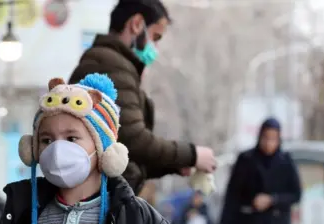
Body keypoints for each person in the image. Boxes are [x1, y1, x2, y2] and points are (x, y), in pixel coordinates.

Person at [0, 73, 183, 224]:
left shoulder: (142, 221)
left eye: (71, 138)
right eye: (46, 140)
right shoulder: (22, 216)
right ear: (32, 149)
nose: (57, 150)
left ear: (103, 149)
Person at [68, 0, 216, 194]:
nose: (155, 48)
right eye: (155, 37)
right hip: (100, 198)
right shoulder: (111, 65)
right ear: (137, 24)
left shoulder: (110, 62)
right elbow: (133, 139)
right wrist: (192, 154)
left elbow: (124, 154)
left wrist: (174, 164)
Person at [219, 117, 301, 224]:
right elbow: (232, 194)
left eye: (273, 139)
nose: (269, 143)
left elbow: (296, 194)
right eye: (266, 137)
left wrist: (272, 200)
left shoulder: (285, 162)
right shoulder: (246, 160)